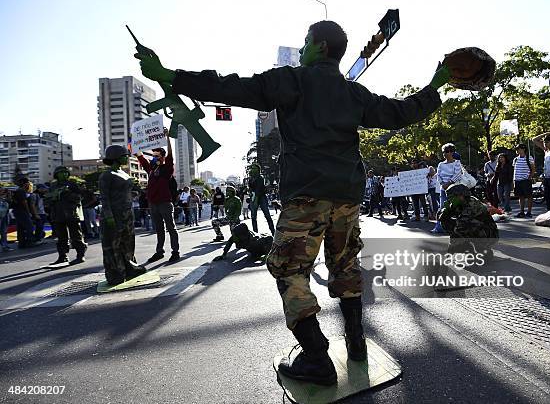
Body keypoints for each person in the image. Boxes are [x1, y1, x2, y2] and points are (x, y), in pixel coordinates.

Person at [136, 19, 448, 385]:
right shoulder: (355, 93)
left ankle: (316, 357)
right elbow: (400, 113)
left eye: (305, 42)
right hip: (346, 197)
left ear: (320, 47)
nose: (300, 49)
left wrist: (170, 75)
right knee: (346, 268)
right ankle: (356, 343)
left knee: (289, 269)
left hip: (306, 197)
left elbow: (233, 87)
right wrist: (436, 85)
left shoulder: (292, 80)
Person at [99, 145, 146, 286]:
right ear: (115, 157)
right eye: (125, 155)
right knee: (113, 245)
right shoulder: (107, 175)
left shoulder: (124, 173)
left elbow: (126, 194)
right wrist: (108, 216)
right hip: (113, 215)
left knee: (128, 243)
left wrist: (135, 189)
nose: (127, 157)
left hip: (127, 214)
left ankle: (130, 268)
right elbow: (104, 198)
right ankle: (115, 273)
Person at [137, 128, 180, 264]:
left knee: (171, 228)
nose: (154, 157)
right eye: (153, 155)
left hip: (165, 203)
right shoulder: (150, 170)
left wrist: (167, 137)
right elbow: (140, 156)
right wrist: (134, 140)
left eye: (157, 156)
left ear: (162, 157)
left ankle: (175, 252)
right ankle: (159, 252)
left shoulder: (167, 169)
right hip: (153, 203)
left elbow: (171, 156)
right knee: (159, 229)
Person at [439, 183, 498, 259]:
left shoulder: (472, 204)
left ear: (461, 196)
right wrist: (445, 211)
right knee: (446, 221)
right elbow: (441, 218)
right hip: (473, 229)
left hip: (488, 234)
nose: (450, 199)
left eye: (452, 197)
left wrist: (452, 248)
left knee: (466, 226)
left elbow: (462, 226)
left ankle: (483, 248)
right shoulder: (459, 203)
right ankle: (466, 245)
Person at [44, 166, 87, 267]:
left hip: (71, 214)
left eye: (66, 172)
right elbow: (47, 200)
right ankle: (62, 256)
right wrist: (54, 196)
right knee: (61, 237)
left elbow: (79, 197)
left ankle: (80, 255)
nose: (64, 174)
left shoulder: (72, 184)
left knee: (76, 236)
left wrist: (67, 194)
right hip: (58, 214)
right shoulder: (53, 186)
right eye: (61, 172)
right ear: (56, 175)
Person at [432, 143, 463, 233]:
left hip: (454, 189)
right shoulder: (441, 164)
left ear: (452, 152)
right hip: (443, 189)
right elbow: (438, 176)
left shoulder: (457, 163)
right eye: (443, 152)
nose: (445, 154)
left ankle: (459, 228)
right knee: (442, 209)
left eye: (447, 152)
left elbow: (458, 175)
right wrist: (443, 184)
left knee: (457, 208)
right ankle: (439, 227)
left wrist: (449, 183)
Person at [533, 133, 550, 211]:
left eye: (547, 142)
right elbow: (534, 140)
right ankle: (549, 211)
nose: (545, 144)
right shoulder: (546, 151)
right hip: (547, 177)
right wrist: (547, 133)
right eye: (544, 142)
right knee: (547, 196)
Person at [248, 164, 275, 234]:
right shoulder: (250, 178)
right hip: (254, 197)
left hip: (261, 197)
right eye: (252, 168)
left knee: (267, 215)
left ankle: (273, 232)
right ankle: (255, 233)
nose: (252, 169)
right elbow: (250, 188)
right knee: (253, 217)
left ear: (258, 170)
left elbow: (258, 190)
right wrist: (250, 192)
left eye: (254, 168)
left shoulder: (260, 178)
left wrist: (256, 201)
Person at [12, 176, 37, 248]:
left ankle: (21, 243)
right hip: (22, 211)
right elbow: (24, 202)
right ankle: (30, 241)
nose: (28, 185)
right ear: (24, 183)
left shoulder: (17, 191)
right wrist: (28, 212)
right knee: (29, 226)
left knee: (20, 228)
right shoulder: (21, 191)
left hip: (17, 211)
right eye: (27, 183)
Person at [512, 144, 535, 218]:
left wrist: (529, 177)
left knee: (529, 196)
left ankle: (529, 212)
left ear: (523, 149)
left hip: (525, 180)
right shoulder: (515, 159)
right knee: (520, 196)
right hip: (517, 180)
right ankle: (521, 212)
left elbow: (533, 169)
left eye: (518, 149)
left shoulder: (529, 158)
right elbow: (515, 170)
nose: (517, 150)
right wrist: (513, 181)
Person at [0, 187, 12, 252]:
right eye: (2, 190)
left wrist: (9, 194)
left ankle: (5, 246)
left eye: (4, 191)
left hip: (5, 215)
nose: (3, 192)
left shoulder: (5, 198)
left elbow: (10, 202)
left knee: (4, 232)